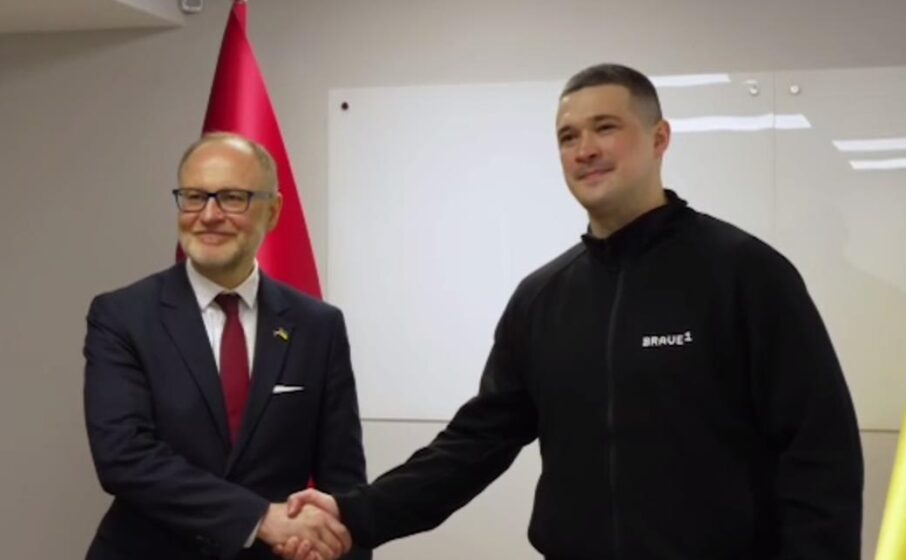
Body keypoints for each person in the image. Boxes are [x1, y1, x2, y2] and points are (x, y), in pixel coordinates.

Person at [280, 63, 864, 559]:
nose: (584, 150)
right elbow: (474, 444)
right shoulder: (542, 298)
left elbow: (820, 453)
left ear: (660, 138)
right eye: (567, 136)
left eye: (606, 127)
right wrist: (354, 515)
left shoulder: (746, 274)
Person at [83, 132, 370, 560]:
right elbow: (123, 457)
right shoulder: (123, 316)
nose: (209, 215)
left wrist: (339, 547)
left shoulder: (318, 326)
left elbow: (342, 480)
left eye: (232, 198)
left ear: (273, 211)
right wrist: (260, 519)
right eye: (194, 196)